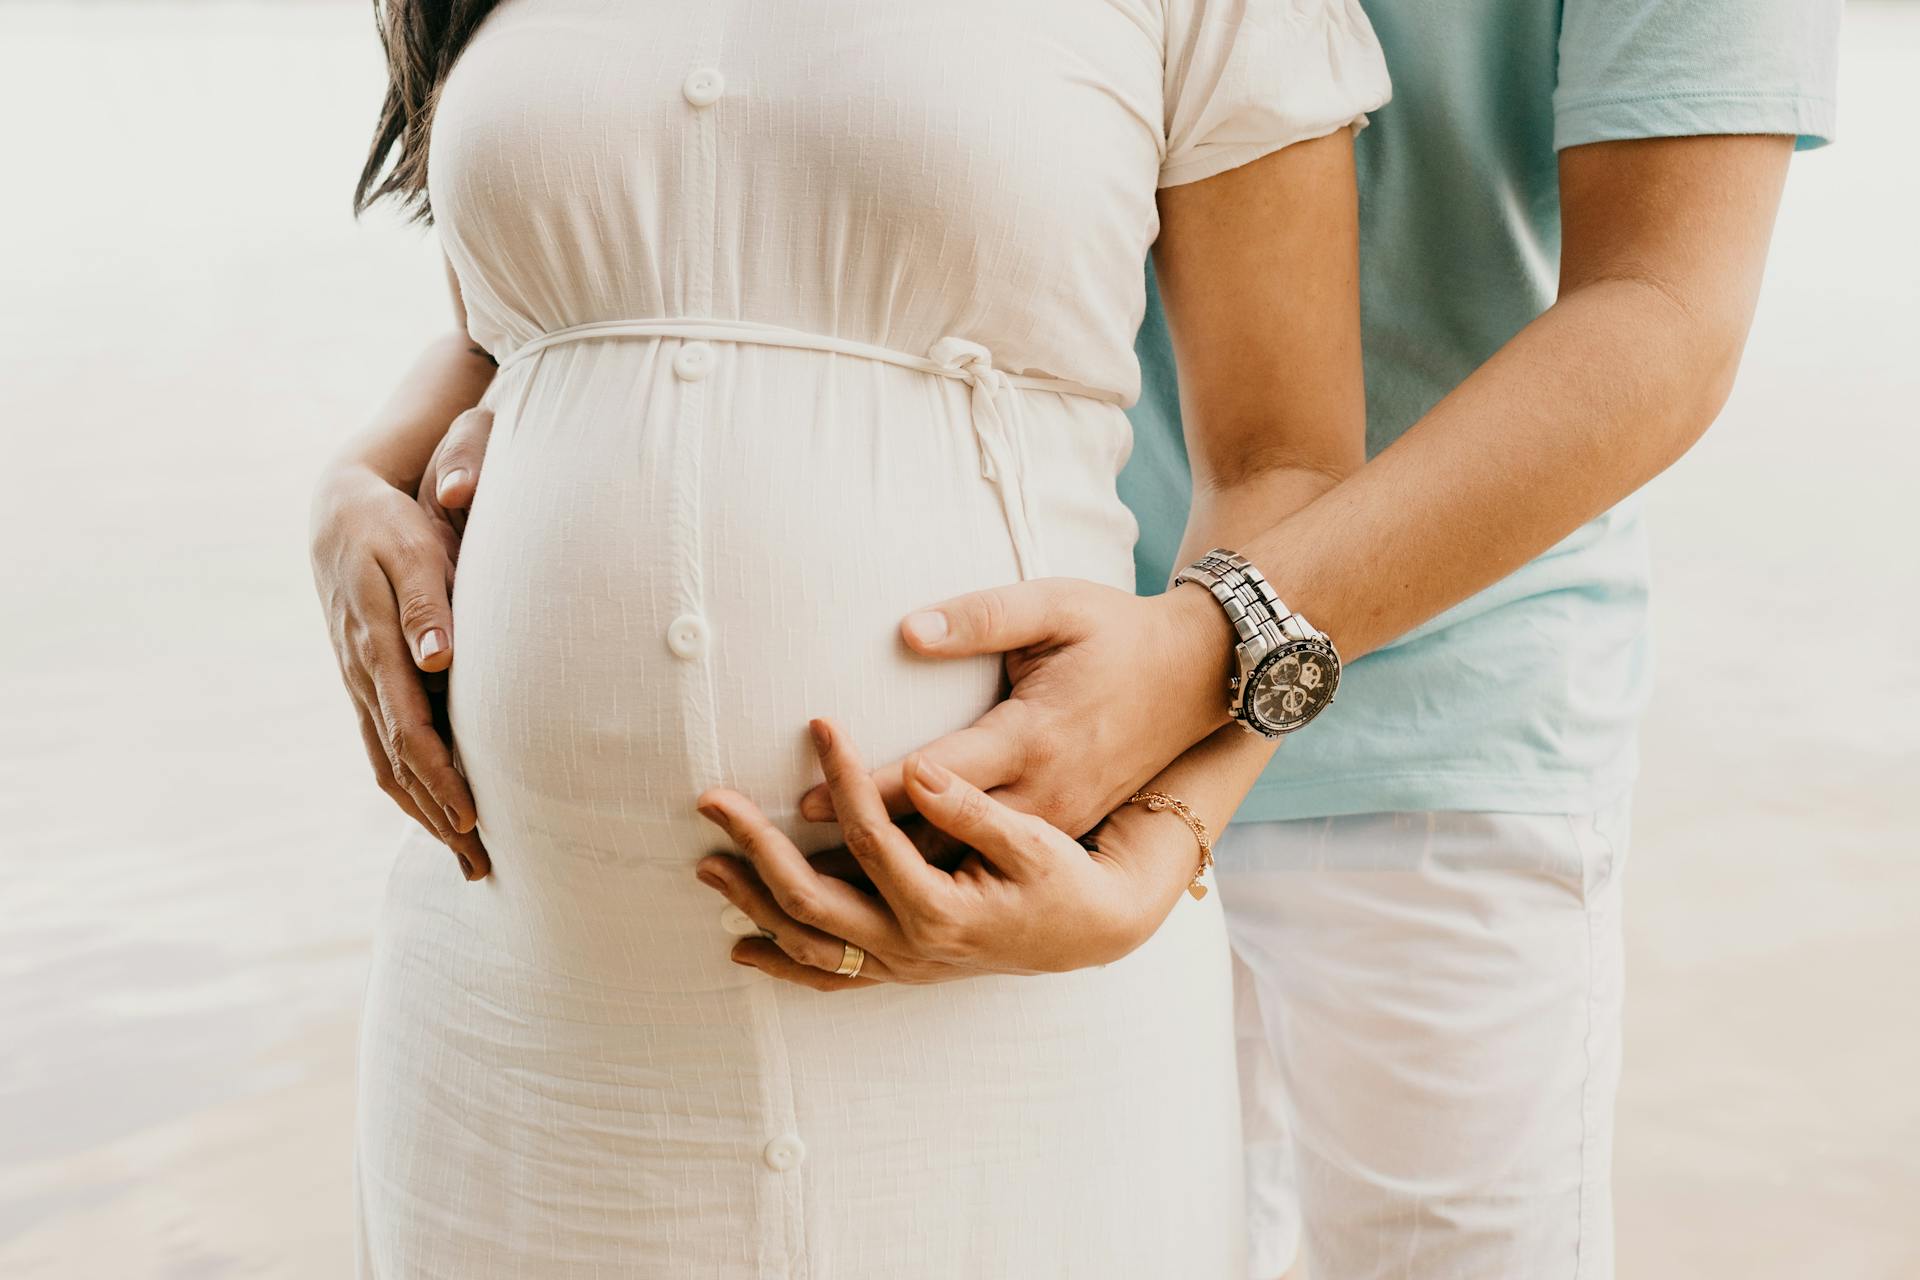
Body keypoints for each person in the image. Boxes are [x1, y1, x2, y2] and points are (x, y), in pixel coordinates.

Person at [690, 2, 1842, 1279]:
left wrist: (1196, 652)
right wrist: (447, 423)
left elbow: (1665, 312)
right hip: (1013, 709)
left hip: (1432, 730)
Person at [310, 0, 1389, 1275]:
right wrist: (355, 484)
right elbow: (528, 327)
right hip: (525, 1010)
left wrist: (1164, 839)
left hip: (1002, 1013)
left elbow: (1288, 471)